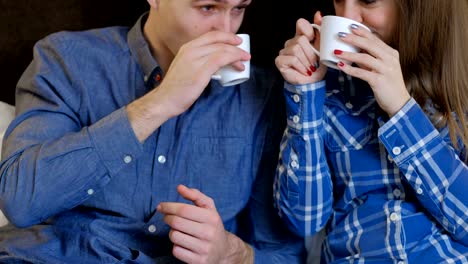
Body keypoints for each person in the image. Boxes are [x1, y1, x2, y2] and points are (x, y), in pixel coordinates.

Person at [0, 0, 306, 263]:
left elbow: (284, 253)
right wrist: (161, 102)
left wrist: (231, 254)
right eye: (207, 7)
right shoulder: (68, 59)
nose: (227, 32)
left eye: (238, 8)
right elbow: (20, 200)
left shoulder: (261, 97)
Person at [274, 0, 468, 263]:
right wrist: (305, 92)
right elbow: (304, 220)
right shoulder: (327, 88)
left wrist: (401, 110)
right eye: (340, 1)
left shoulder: (458, 82)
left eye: (367, 0)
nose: (348, 16)